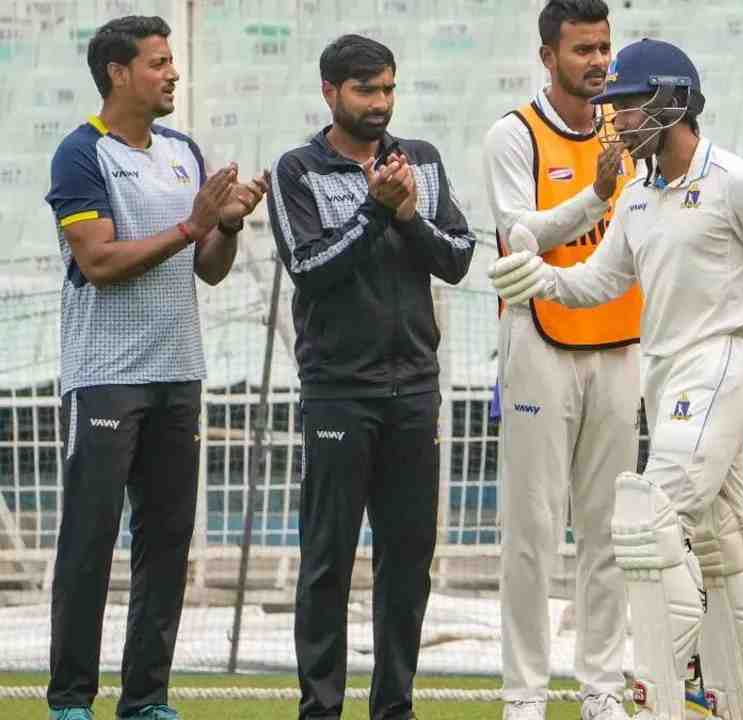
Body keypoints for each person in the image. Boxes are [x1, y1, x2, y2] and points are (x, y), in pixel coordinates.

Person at [488, 38, 743, 720]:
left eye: (630, 106)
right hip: (669, 376)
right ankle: (738, 700)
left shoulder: (739, 184)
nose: (617, 121)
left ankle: (655, 697)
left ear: (673, 102)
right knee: (724, 543)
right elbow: (600, 282)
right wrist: (542, 280)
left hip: (728, 361)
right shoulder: (637, 195)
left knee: (646, 517)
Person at [44, 15, 264, 720]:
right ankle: (71, 702)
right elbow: (99, 262)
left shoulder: (181, 150)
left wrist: (224, 226)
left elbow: (207, 270)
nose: (173, 74)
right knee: (89, 543)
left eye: (172, 62)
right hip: (105, 375)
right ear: (118, 72)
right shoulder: (82, 155)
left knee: (165, 546)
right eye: (159, 63)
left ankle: (145, 701)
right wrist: (191, 225)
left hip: (179, 375)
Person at [265, 34, 476, 720]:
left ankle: (395, 707)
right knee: (327, 562)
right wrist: (377, 210)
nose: (381, 103)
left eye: (388, 88)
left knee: (407, 563)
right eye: (365, 90)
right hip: (338, 391)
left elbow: (456, 256)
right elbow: (312, 269)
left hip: (414, 390)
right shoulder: (299, 170)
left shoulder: (423, 162)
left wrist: (408, 214)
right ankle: (320, 709)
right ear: (330, 92)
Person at [480, 2, 637, 718]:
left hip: (619, 341)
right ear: (549, 57)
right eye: (582, 49)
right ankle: (524, 695)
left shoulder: (627, 129)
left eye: (604, 46)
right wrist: (596, 195)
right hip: (539, 339)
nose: (598, 61)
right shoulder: (513, 135)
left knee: (608, 529)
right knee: (532, 529)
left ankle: (602, 689)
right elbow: (520, 237)